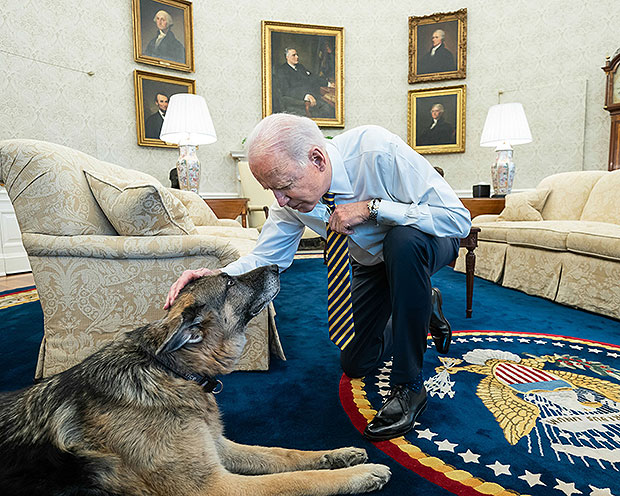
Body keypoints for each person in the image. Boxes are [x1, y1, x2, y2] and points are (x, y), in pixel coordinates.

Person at [164, 114, 471, 441]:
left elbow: (458, 221)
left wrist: (375, 208)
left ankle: (408, 386)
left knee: (402, 242)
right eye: (272, 190)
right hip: (371, 263)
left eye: (283, 187)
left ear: (317, 159)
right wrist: (218, 276)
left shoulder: (378, 153)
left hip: (427, 241)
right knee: (355, 363)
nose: (279, 201)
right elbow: (268, 258)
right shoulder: (290, 200)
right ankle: (425, 305)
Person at [274, 47, 334, 118]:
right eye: (294, 55)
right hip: (299, 102)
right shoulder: (282, 71)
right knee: (326, 110)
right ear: (287, 57)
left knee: (330, 107)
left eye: (297, 55)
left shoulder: (300, 67)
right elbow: (286, 90)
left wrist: (328, 84)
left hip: (313, 96)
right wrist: (305, 95)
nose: (297, 57)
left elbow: (312, 77)